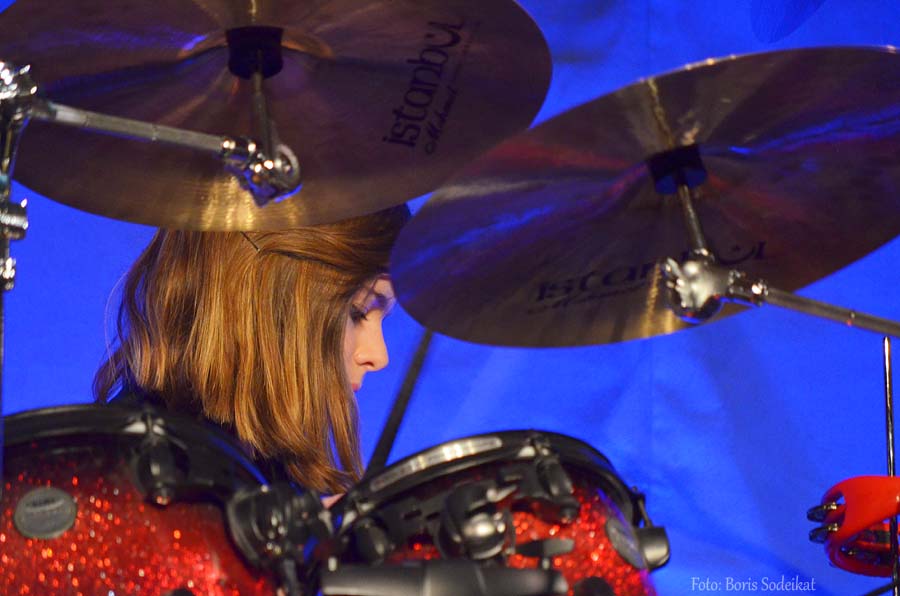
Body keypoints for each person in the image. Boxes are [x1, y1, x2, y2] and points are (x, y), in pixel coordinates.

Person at [94, 205, 410, 495]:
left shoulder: (273, 479)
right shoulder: (127, 478)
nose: (379, 355)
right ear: (267, 300)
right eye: (358, 312)